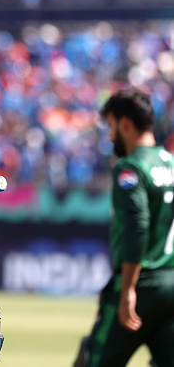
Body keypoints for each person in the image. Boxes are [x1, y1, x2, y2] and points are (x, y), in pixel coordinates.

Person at [73, 87, 174, 367]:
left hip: (142, 284)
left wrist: (127, 288)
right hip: (172, 283)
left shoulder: (130, 168)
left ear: (125, 124)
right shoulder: (173, 164)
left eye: (111, 125)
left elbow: (137, 226)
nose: (109, 134)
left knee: (92, 361)